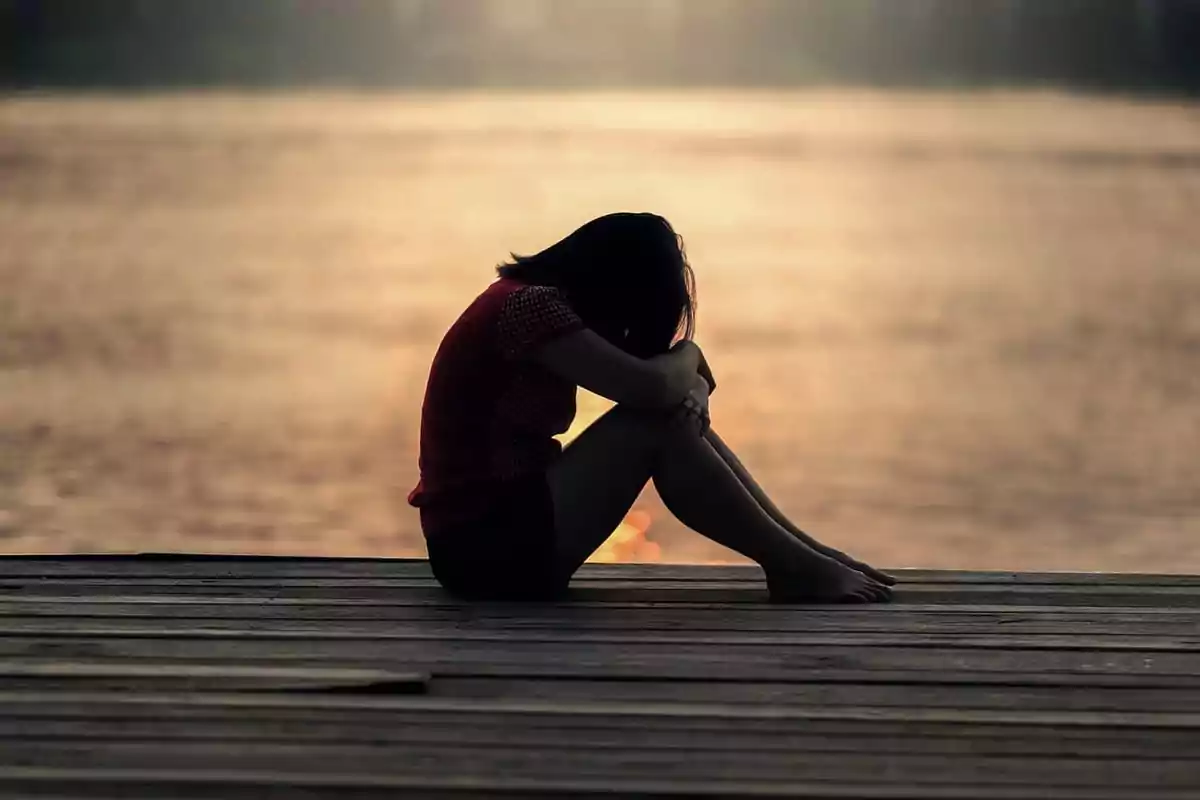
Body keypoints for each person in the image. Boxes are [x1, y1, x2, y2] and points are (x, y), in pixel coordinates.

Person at [409, 212, 894, 603]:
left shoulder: (530, 303)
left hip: (495, 538)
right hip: (483, 549)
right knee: (652, 423)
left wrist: (693, 384)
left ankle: (804, 554)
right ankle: (796, 564)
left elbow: (674, 386)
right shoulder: (530, 308)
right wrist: (692, 355)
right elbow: (652, 387)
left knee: (663, 418)